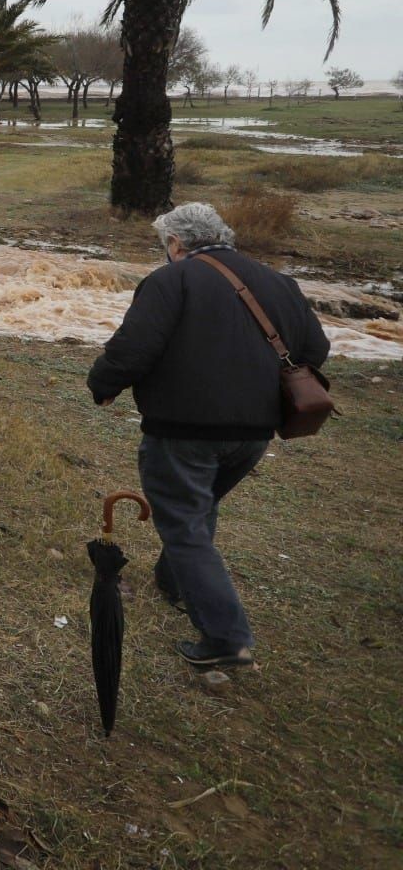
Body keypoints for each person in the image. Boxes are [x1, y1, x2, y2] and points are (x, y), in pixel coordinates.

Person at [88, 202, 330, 669]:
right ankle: (176, 584)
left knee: (183, 524)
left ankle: (227, 640)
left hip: (183, 430)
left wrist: (103, 386)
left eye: (166, 246)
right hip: (255, 434)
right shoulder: (280, 282)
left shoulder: (170, 280)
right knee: (197, 509)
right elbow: (315, 349)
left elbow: (133, 347)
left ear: (176, 244)